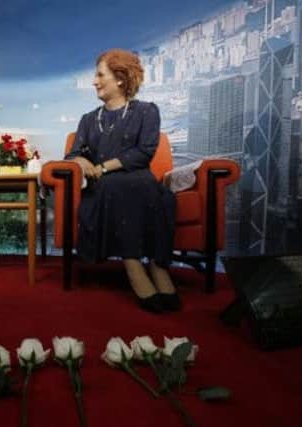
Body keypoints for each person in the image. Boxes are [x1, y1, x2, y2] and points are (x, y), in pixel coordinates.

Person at [65, 49, 179, 313]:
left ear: (119, 78)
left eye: (99, 74)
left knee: (156, 192)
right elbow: (72, 154)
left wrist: (103, 166)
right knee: (117, 186)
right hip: (105, 188)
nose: (94, 81)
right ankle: (133, 264)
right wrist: (82, 162)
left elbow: (144, 152)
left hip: (136, 178)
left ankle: (158, 266)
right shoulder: (89, 120)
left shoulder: (147, 111)